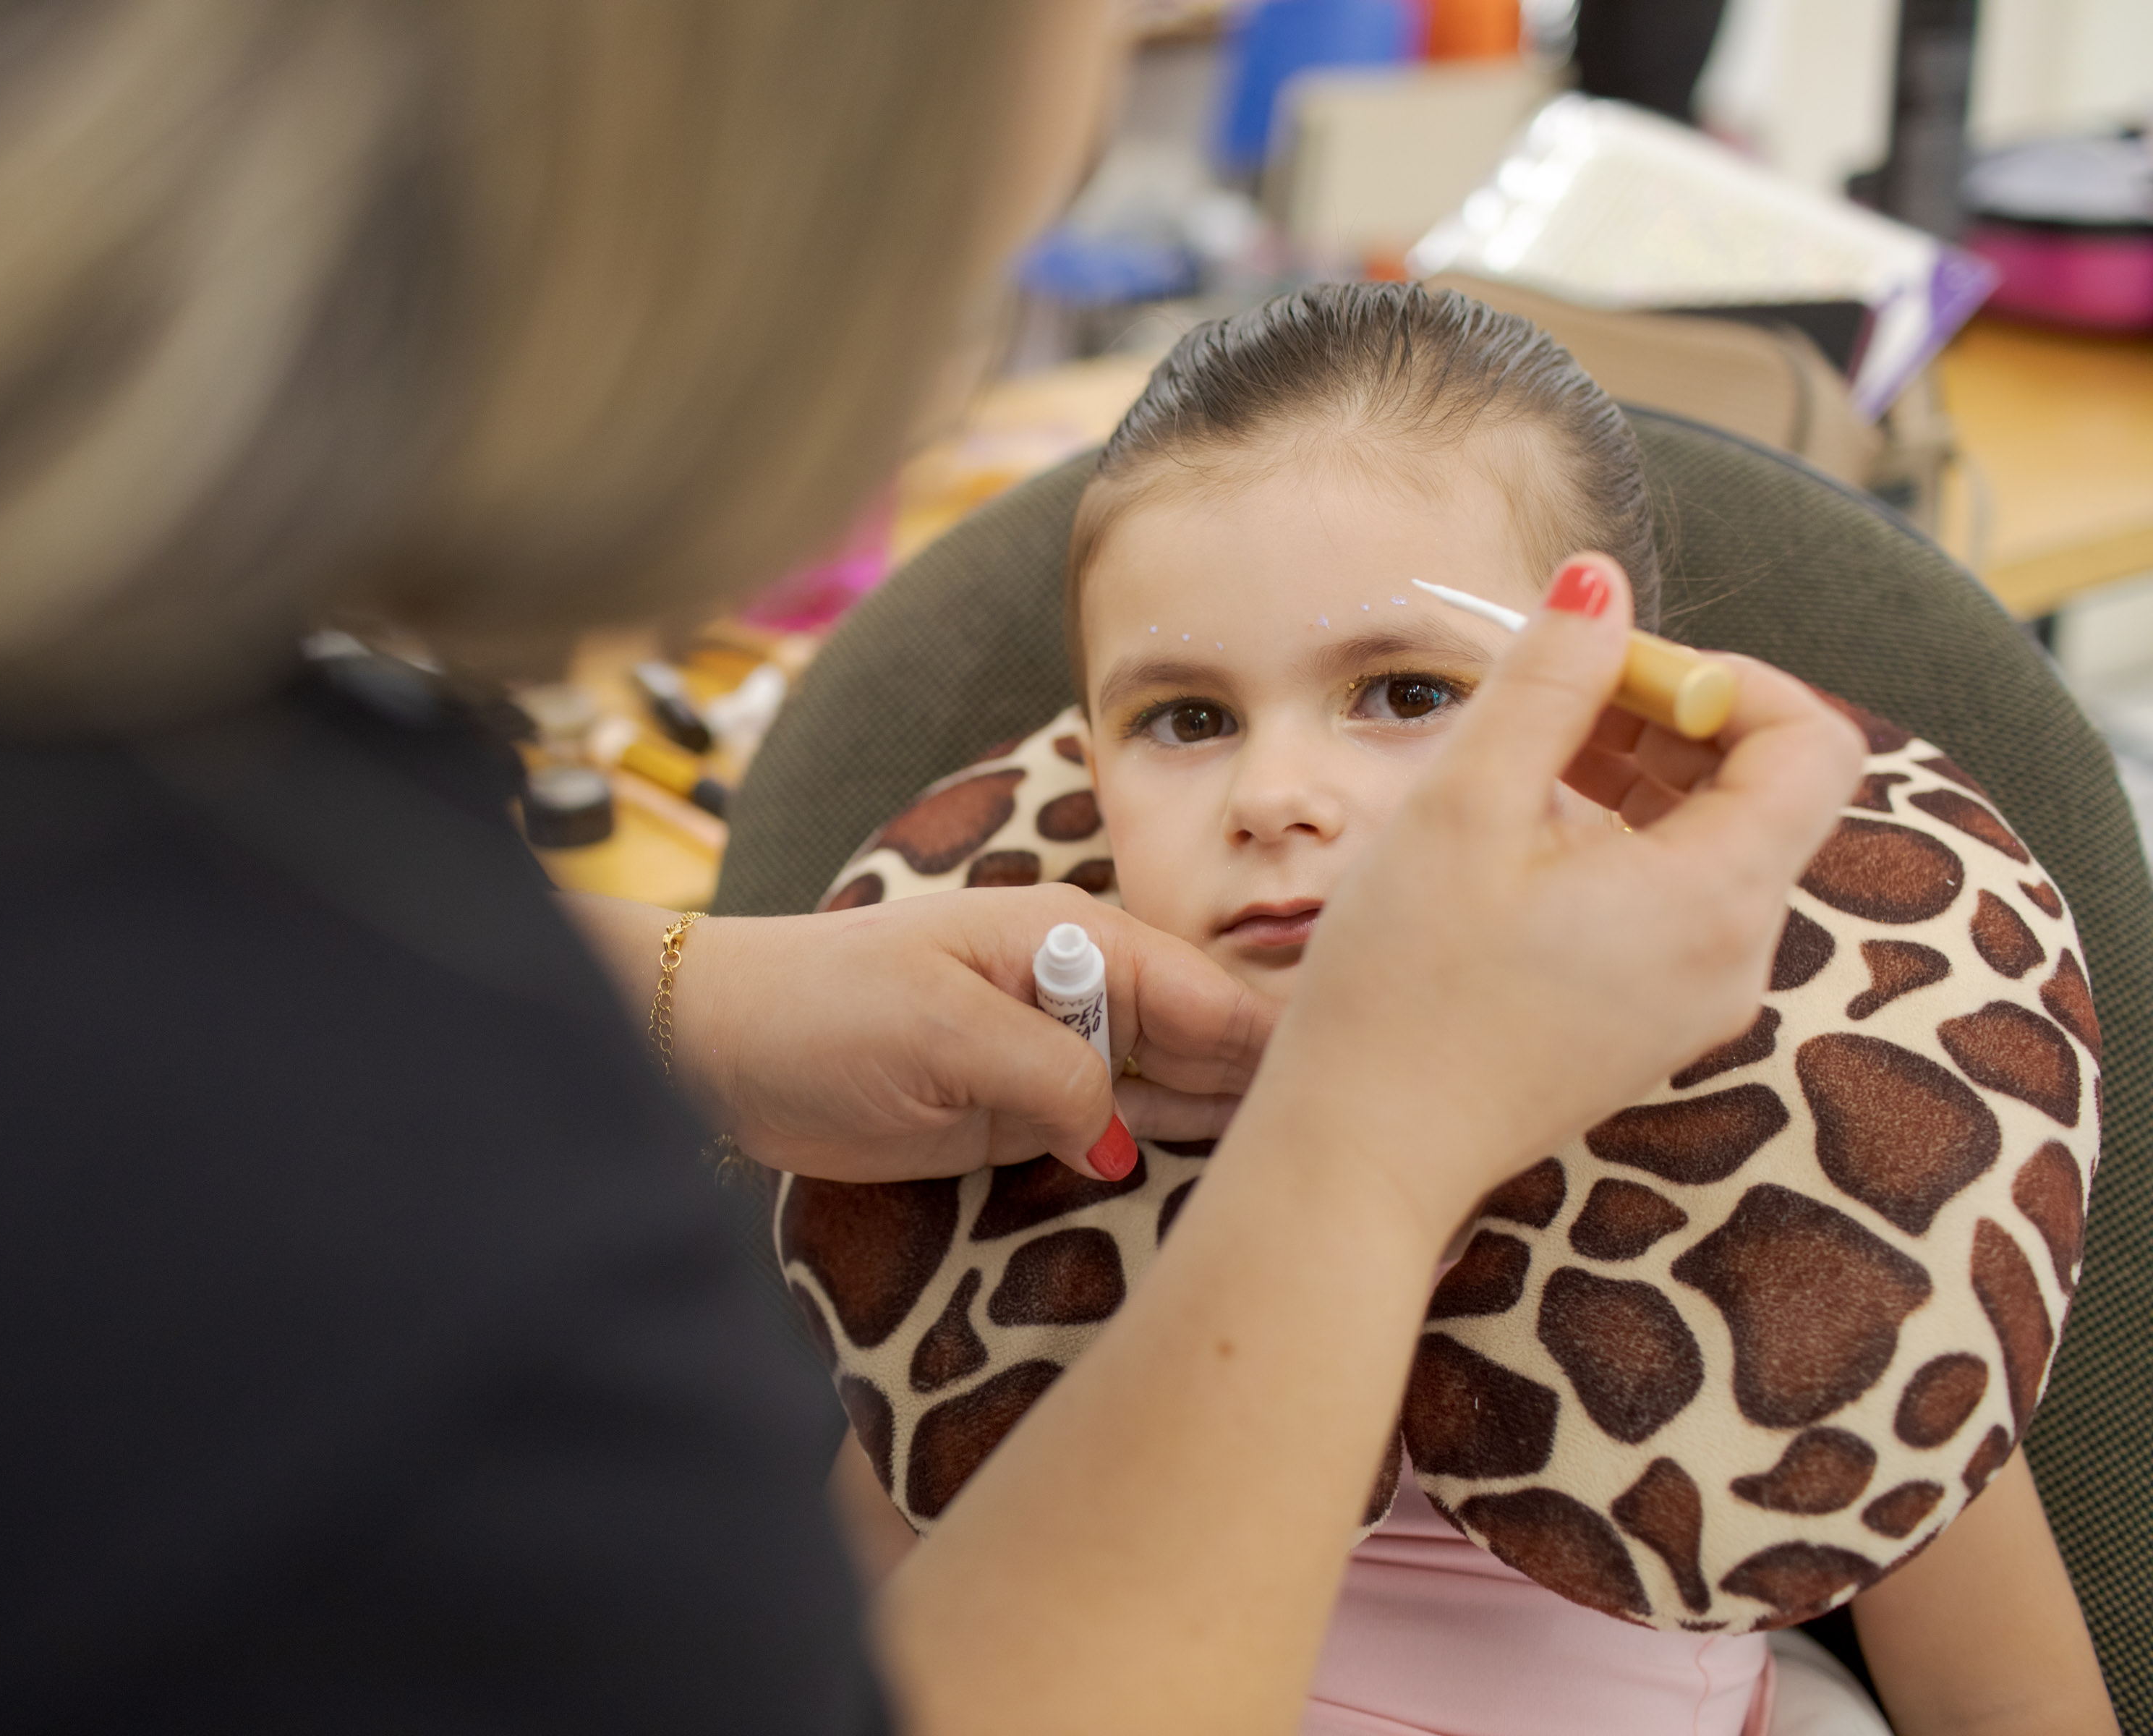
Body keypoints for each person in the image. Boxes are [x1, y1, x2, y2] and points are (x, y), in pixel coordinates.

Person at [0, 5, 1869, 1731]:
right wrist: (1359, 1154)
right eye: (1188, 713)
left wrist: (672, 999)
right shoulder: (433, 1270)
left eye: (1402, 694)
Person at [826, 286, 2116, 1736]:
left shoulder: (1811, 1158)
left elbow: (2011, 1708)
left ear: (1615, 713)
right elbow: (829, 1652)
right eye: (1187, 720)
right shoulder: (1024, 1155)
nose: (1276, 799)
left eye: (1402, 691)